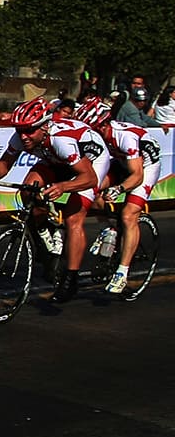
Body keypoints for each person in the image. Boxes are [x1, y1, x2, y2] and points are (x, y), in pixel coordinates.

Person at [0, 97, 111, 302]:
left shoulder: (61, 140)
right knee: (29, 188)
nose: (24, 136)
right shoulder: (21, 136)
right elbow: (6, 162)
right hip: (55, 160)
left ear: (44, 126)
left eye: (29, 130)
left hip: (91, 162)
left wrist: (63, 186)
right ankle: (44, 236)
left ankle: (70, 279)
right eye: (19, 130)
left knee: (73, 218)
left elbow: (89, 178)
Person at [73, 98, 163, 293]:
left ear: (104, 125)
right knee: (93, 190)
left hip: (145, 167)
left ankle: (122, 272)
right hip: (122, 162)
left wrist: (118, 189)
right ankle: (109, 229)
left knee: (129, 215)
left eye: (93, 129)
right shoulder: (97, 136)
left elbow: (137, 175)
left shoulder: (125, 137)